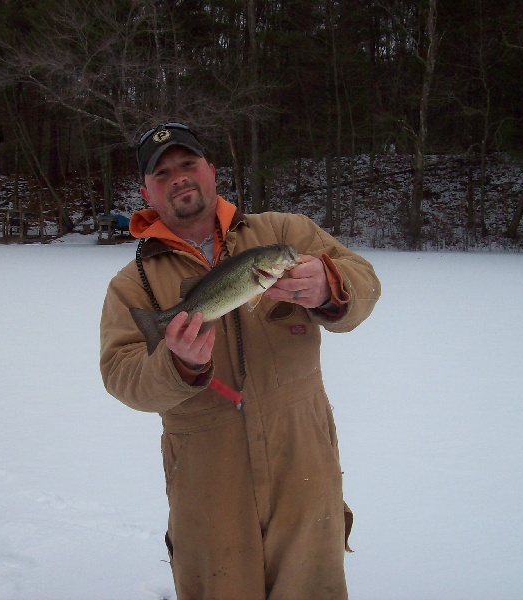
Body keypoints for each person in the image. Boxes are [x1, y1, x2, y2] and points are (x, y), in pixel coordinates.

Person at [99, 122, 381, 600]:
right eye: (163, 173)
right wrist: (177, 365)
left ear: (211, 170)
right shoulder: (134, 283)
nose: (179, 178)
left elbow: (365, 280)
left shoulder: (284, 233)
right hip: (206, 478)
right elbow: (120, 372)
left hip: (303, 461)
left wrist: (330, 284)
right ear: (147, 190)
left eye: (188, 164)